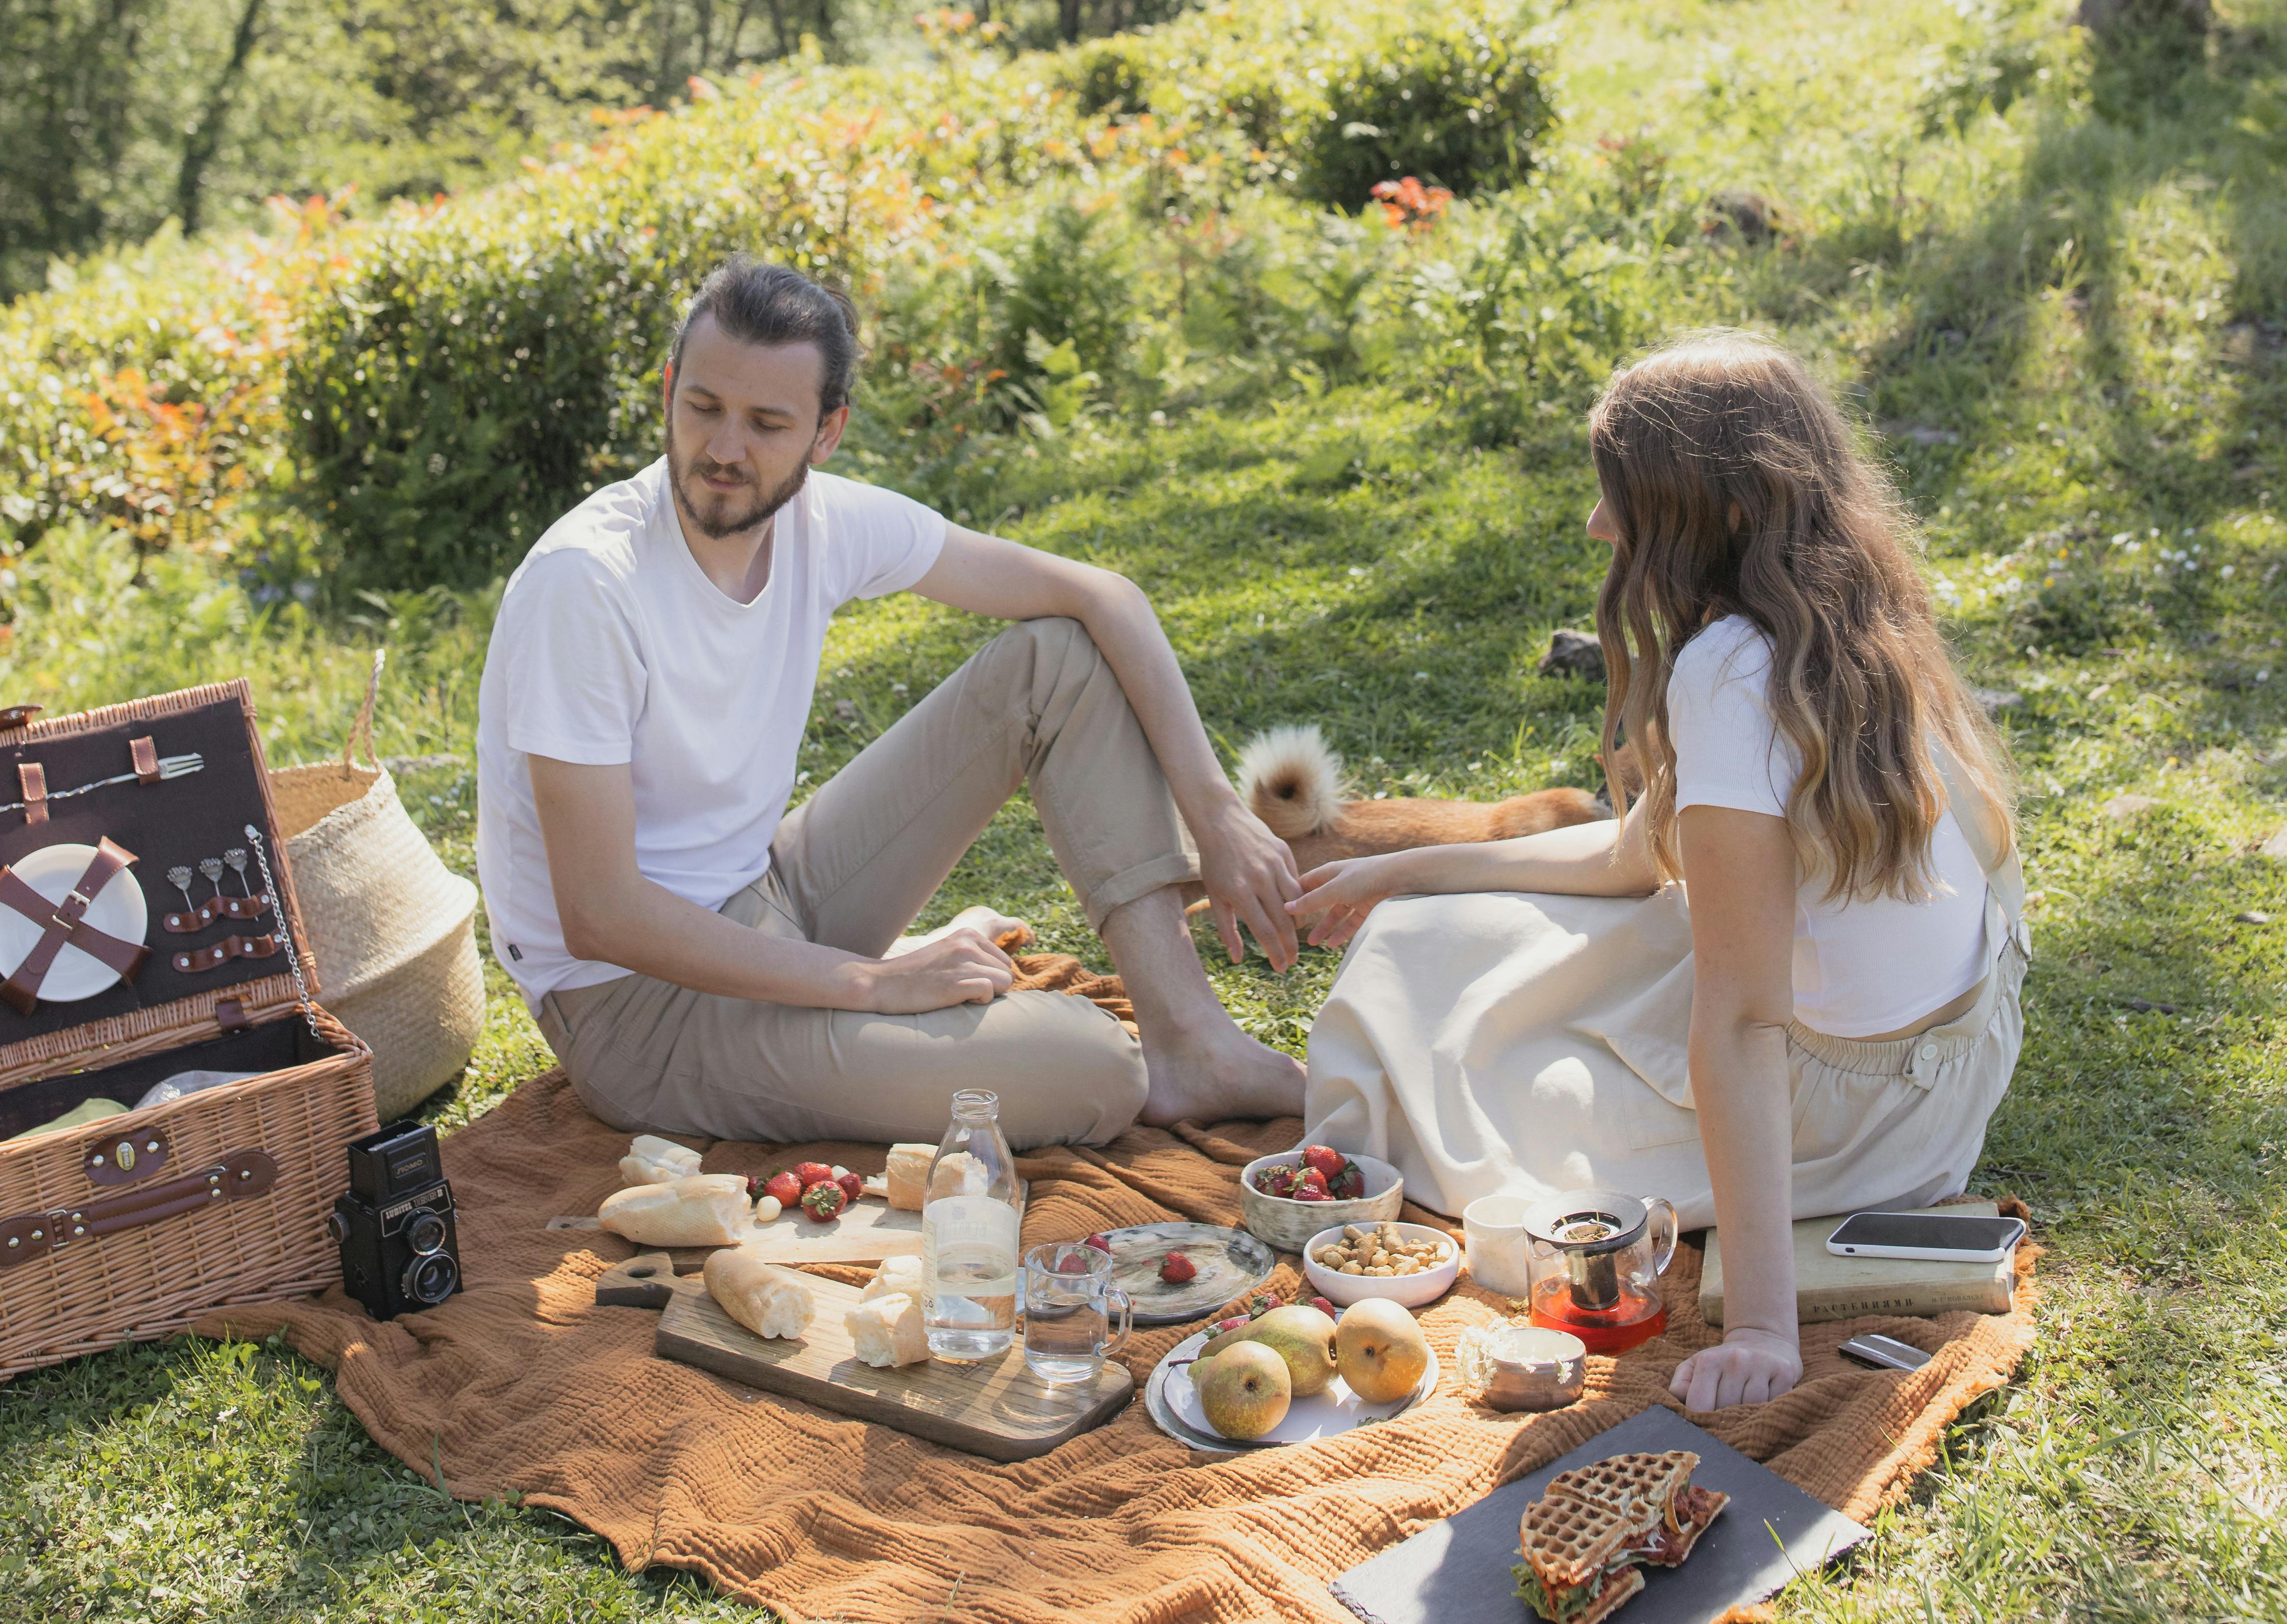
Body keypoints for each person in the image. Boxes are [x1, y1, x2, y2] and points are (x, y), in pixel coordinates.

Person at [1296, 331, 2028, 1416]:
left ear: (1717, 512)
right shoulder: (1844, 602)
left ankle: (1351, 1090)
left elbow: (1738, 1022)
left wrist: (1760, 1329)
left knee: (1449, 1066)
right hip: (1954, 1058)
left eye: (1619, 498)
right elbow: (1637, 856)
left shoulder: (1732, 672)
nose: (1598, 524)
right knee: (1432, 932)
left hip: (1855, 1115)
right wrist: (1408, 871)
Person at [474, 255, 1305, 1151]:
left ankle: (1194, 1042)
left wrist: (1216, 812)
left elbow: (1104, 597)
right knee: (1095, 1068)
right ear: (670, 388)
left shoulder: (821, 523)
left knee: (1055, 658)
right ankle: (1060, 1046)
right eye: (704, 407)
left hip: (768, 892)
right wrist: (874, 983)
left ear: (826, 433)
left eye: (766, 423)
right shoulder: (585, 585)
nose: (724, 450)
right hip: (636, 1012)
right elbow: (601, 913)